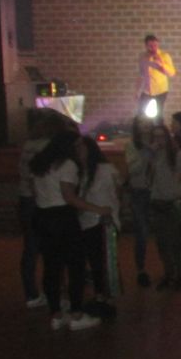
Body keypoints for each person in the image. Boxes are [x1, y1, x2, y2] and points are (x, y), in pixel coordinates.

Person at [29, 130, 112, 331]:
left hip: (42, 215)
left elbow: (34, 191)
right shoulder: (67, 165)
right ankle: (76, 313)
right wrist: (98, 209)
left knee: (51, 266)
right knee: (75, 265)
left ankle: (56, 313)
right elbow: (69, 197)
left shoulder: (39, 163)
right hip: (62, 217)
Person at [18, 109, 73, 309]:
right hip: (48, 201)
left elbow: (25, 175)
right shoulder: (50, 148)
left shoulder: (28, 146)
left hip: (26, 198)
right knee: (56, 249)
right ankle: (58, 293)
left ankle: (31, 294)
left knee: (31, 248)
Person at [77, 136, 122, 318]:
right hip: (89, 220)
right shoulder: (83, 171)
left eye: (81, 149)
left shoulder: (104, 170)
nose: (78, 153)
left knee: (103, 261)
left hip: (102, 221)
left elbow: (117, 189)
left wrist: (110, 209)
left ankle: (105, 297)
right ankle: (101, 295)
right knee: (96, 261)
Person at [149, 123, 181, 290]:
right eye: (155, 137)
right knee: (162, 243)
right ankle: (169, 273)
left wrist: (179, 180)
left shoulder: (178, 155)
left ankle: (180, 274)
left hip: (173, 202)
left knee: (175, 242)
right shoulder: (154, 156)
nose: (158, 140)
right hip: (157, 201)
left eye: (161, 136)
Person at [125, 114, 155, 287]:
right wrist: (146, 152)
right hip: (139, 191)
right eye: (142, 123)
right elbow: (133, 170)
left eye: (148, 122)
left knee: (164, 231)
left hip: (156, 191)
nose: (145, 126)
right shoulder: (132, 146)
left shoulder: (158, 144)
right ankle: (141, 269)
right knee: (142, 231)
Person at [137, 33, 176, 119]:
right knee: (141, 114)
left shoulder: (164, 56)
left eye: (155, 45)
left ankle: (159, 127)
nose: (153, 48)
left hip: (160, 91)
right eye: (150, 46)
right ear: (146, 46)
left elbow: (172, 73)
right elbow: (141, 75)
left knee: (158, 116)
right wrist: (137, 91)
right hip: (146, 91)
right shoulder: (142, 57)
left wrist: (161, 64)